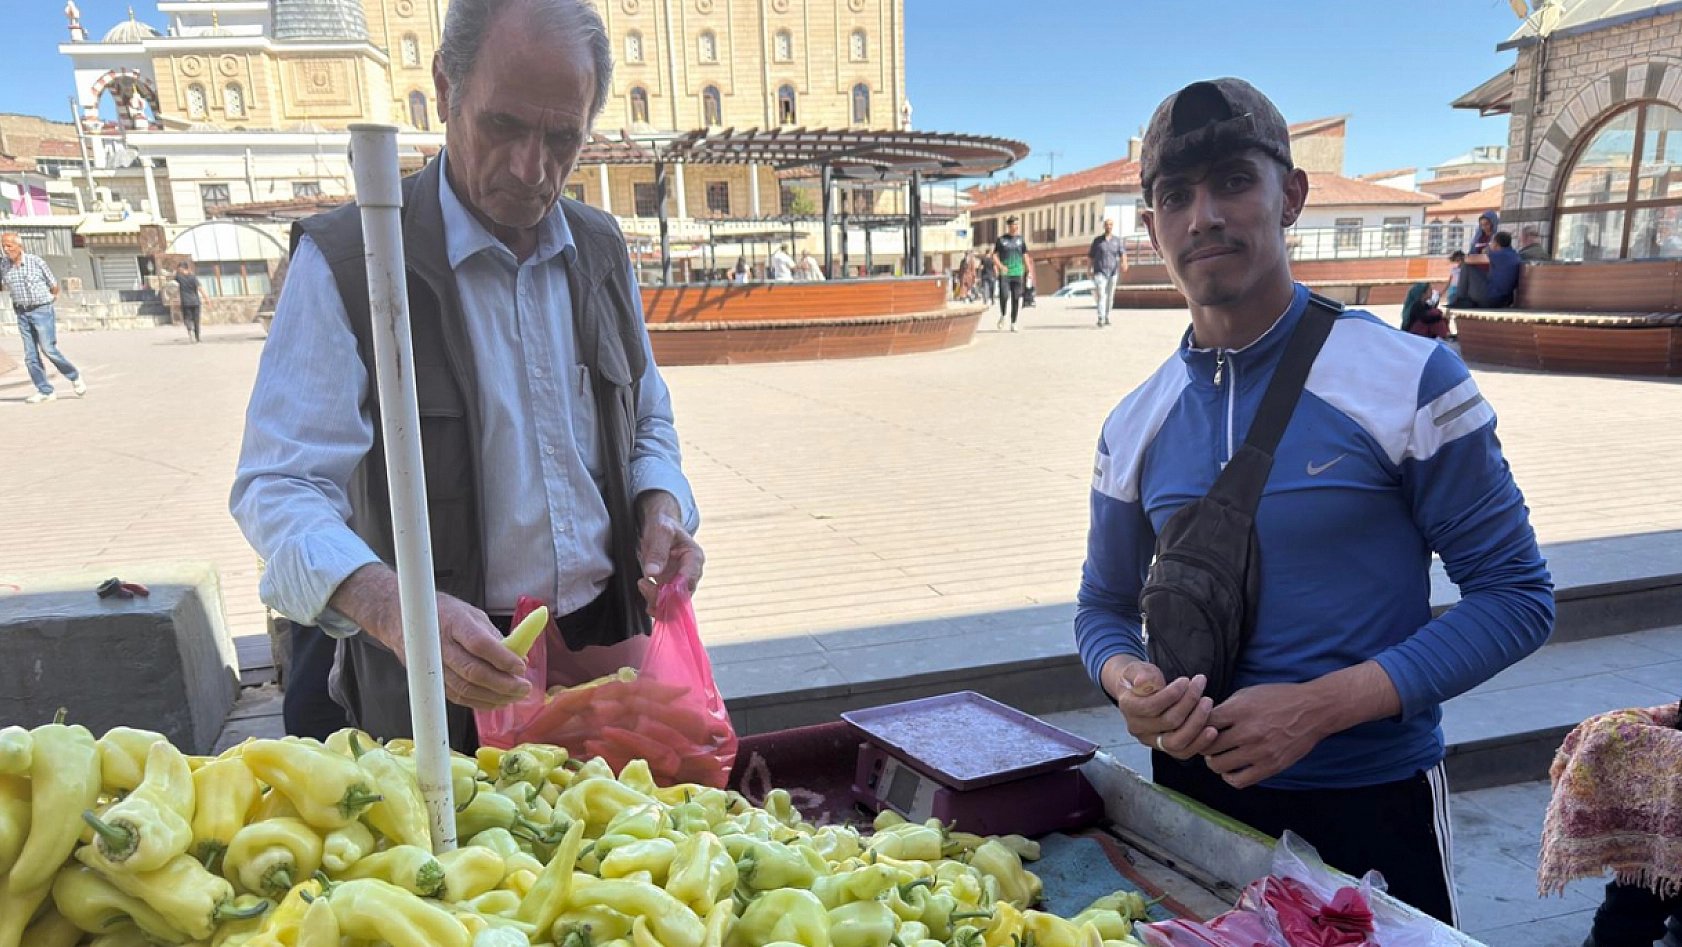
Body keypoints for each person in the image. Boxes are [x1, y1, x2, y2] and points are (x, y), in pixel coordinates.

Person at [1074, 77, 1553, 925]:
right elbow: (1102, 608)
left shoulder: (1410, 379)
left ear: (1290, 196)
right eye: (1175, 197)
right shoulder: (1133, 422)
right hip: (1194, 808)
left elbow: (1517, 596)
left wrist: (1318, 706)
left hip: (1372, 803)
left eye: (1232, 182)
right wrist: (1129, 681)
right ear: (1150, 228)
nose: (1204, 216)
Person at [230, 0, 704, 747]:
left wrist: (663, 504)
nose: (531, 168)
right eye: (504, 126)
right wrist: (394, 606)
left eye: (561, 138)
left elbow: (648, 419)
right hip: (437, 676)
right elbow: (279, 487)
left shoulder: (602, 249)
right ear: (446, 91)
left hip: (608, 653)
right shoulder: (351, 262)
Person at [1, 232, 86, 405]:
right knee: (30, 355)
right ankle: (44, 390)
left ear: (19, 246)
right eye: (3, 246)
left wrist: (47, 302)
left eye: (9, 245)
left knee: (48, 349)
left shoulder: (36, 262)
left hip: (42, 311)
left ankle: (74, 376)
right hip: (22, 313)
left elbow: (53, 286)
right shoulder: (3, 265)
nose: (5, 249)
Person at [1454, 231, 1522, 308]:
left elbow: (1469, 259)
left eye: (1491, 242)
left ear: (1496, 244)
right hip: (1504, 299)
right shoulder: (1514, 255)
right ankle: (1465, 300)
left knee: (1467, 266)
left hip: (1490, 298)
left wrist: (1485, 252)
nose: (1490, 244)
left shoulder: (1499, 255)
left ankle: (1460, 299)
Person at [994, 217, 1030, 331]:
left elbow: (1025, 255)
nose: (1016, 227)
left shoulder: (1020, 240)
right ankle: (1003, 314)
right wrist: (1000, 266)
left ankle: (1014, 322)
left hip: (1017, 272)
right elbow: (994, 255)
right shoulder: (1001, 240)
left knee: (1016, 298)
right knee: (1004, 295)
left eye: (1017, 224)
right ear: (1009, 226)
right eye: (1014, 224)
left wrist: (1028, 269)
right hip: (1005, 272)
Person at [1089, 218, 1125, 327]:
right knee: (1101, 294)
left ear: (1112, 226)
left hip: (1113, 271)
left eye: (1110, 225)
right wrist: (1089, 269)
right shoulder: (1097, 241)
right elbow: (1090, 256)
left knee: (1110, 296)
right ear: (1104, 226)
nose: (1108, 226)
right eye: (1106, 225)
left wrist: (1124, 263)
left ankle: (1107, 315)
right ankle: (1101, 317)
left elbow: (1122, 253)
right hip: (1100, 271)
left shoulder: (1117, 241)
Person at [174, 262, 204, 343]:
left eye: (179, 269)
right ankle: (197, 337)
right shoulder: (193, 277)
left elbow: (172, 283)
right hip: (195, 301)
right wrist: (206, 298)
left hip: (186, 302)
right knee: (196, 320)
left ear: (182, 269)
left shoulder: (178, 277)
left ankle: (190, 330)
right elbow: (200, 288)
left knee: (187, 318)